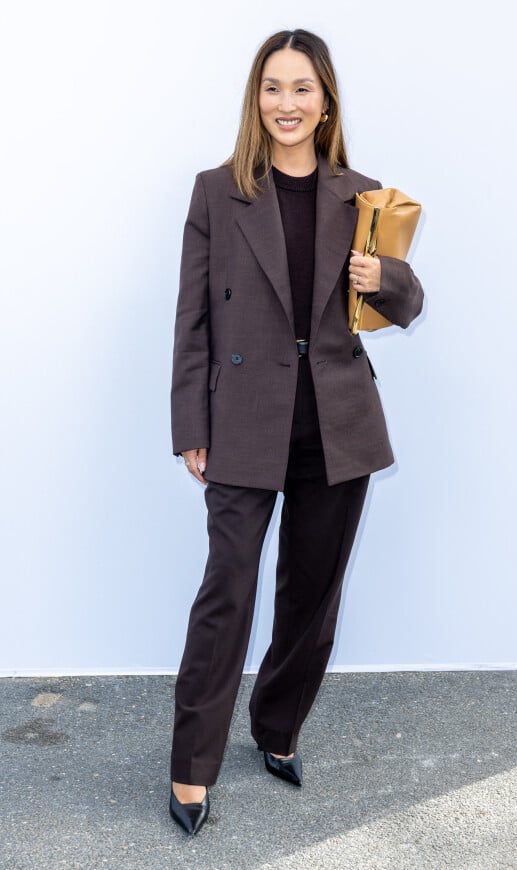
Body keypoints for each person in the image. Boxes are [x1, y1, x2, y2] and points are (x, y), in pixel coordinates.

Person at [169, 28, 424, 836]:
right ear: (257, 99)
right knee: (228, 592)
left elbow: (406, 304)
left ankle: (276, 727)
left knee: (312, 596)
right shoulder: (218, 191)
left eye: (302, 88)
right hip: (242, 416)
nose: (287, 103)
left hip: (336, 419)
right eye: (273, 88)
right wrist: (189, 424)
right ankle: (191, 765)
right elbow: (193, 319)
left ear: (326, 102)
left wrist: (381, 277)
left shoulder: (365, 194)